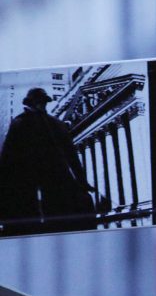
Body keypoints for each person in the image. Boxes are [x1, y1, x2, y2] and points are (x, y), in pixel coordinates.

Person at [0, 86, 97, 232]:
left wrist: (82, 181)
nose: (41, 104)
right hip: (38, 179)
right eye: (39, 101)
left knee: (51, 217)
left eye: (43, 101)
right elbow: (8, 157)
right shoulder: (51, 124)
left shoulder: (28, 123)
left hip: (43, 179)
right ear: (32, 103)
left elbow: (71, 155)